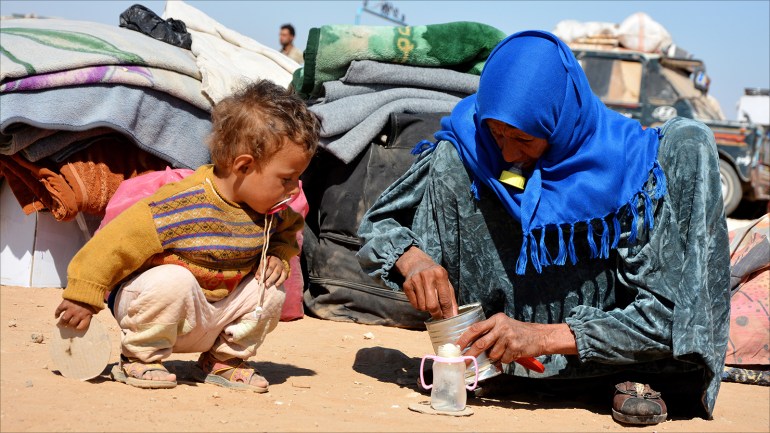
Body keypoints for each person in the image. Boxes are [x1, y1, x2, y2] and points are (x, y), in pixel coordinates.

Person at [357, 30, 730, 425]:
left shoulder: (631, 170)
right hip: (497, 367)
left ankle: (626, 377)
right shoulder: (469, 145)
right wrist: (412, 260)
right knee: (453, 159)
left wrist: (541, 336)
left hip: (615, 363)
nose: (507, 153)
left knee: (691, 138)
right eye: (497, 133)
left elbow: (670, 318)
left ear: (560, 120)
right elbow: (378, 226)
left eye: (523, 138)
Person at [54, 80, 319, 391]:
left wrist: (277, 254)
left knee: (270, 288)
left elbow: (288, 233)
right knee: (174, 280)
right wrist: (83, 297)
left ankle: (222, 361)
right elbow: (115, 244)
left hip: (210, 316)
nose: (293, 189)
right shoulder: (181, 203)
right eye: (287, 179)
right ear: (244, 166)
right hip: (156, 311)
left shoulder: (272, 211)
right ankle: (140, 357)